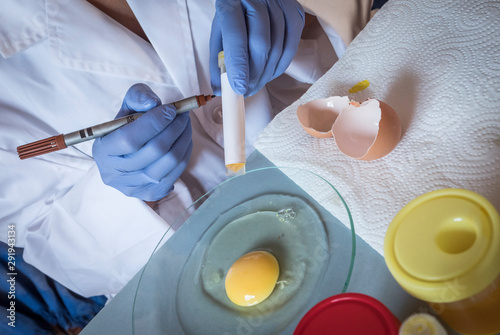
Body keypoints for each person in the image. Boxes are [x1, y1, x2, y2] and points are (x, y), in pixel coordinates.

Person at [0, 0, 374, 302]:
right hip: (210, 274)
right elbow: (52, 248)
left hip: (349, 168)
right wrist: (127, 193)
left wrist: (303, 17)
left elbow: (356, 35)